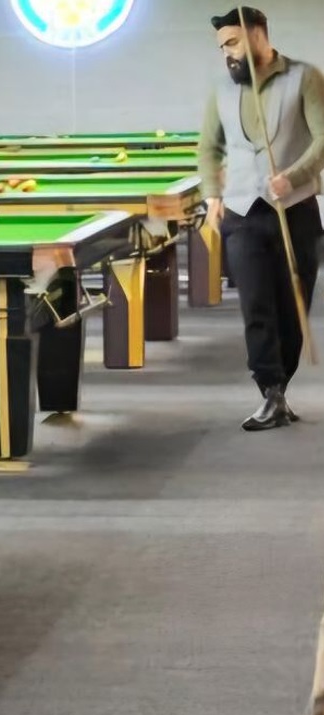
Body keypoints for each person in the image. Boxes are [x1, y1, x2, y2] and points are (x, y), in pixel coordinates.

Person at [199, 6, 324, 431]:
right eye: (222, 47)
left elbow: (323, 139)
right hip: (241, 214)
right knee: (256, 304)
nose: (226, 53)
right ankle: (269, 390)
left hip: (296, 211)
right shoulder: (222, 89)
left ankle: (280, 389)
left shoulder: (305, 77)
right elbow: (208, 149)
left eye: (232, 43)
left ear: (257, 35)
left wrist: (293, 177)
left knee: (292, 308)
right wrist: (212, 195)